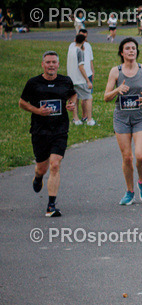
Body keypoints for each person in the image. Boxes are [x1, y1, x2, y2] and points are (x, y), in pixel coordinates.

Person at [20, 51, 78, 217]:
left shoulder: (65, 81)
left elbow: (73, 94)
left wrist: (71, 104)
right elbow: (22, 103)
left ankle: (51, 206)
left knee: (55, 164)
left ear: (58, 64)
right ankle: (38, 177)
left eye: (54, 62)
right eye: (48, 62)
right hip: (40, 131)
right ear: (43, 64)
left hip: (60, 129)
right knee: (42, 168)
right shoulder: (33, 83)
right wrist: (37, 111)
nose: (51, 65)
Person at [103, 38, 142, 204]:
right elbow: (106, 97)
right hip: (122, 119)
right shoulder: (115, 71)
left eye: (133, 48)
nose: (131, 51)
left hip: (141, 117)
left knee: (140, 156)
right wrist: (117, 89)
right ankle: (129, 191)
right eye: (127, 48)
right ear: (122, 52)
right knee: (127, 158)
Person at [67, 32, 95, 126]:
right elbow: (81, 67)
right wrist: (87, 80)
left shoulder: (71, 50)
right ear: (83, 41)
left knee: (74, 99)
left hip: (71, 79)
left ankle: (76, 119)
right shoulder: (80, 51)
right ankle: (89, 119)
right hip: (80, 80)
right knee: (88, 98)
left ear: (75, 40)